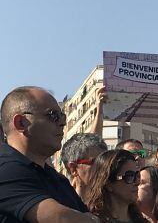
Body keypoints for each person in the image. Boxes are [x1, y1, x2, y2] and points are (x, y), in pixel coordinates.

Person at [0, 86, 97, 222]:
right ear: (21, 123)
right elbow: (61, 218)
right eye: (53, 115)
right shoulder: (5, 169)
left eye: (62, 116)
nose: (63, 123)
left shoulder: (58, 179)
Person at [86, 149, 147, 223]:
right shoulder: (90, 220)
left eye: (137, 175)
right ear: (108, 183)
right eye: (130, 176)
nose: (137, 182)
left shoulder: (141, 220)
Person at [60, 133, 108, 201]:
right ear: (73, 169)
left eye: (105, 162)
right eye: (97, 163)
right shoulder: (60, 205)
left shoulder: (113, 204)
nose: (104, 168)